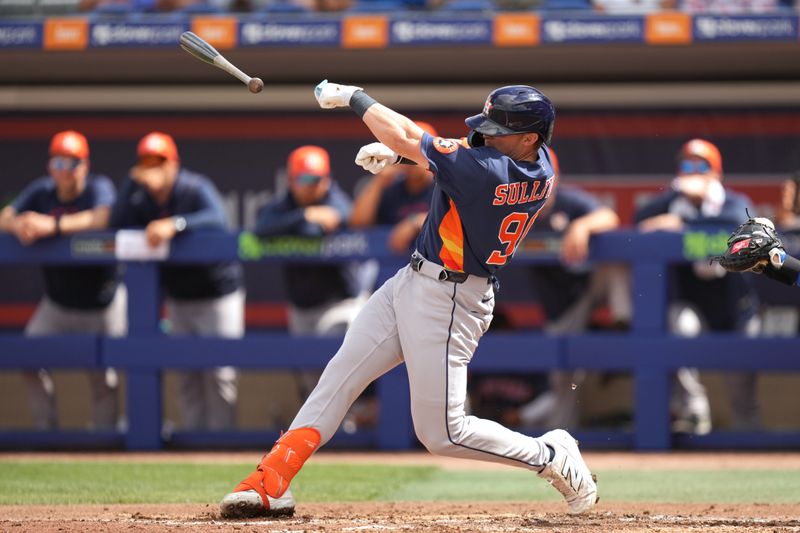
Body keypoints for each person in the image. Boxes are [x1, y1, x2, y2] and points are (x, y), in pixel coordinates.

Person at [219, 81, 598, 519]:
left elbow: (411, 136)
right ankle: (273, 479)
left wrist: (355, 98)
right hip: (415, 281)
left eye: (499, 129)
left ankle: (549, 454)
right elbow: (455, 148)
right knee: (340, 375)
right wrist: (405, 159)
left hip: (452, 299)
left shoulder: (489, 171)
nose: (486, 134)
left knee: (443, 434)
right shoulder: (539, 163)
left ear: (529, 137)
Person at [110, 132, 243, 430]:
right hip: (179, 297)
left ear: (174, 164)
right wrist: (131, 183)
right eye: (146, 162)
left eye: (159, 161)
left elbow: (218, 218)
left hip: (216, 294)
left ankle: (222, 445)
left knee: (220, 373)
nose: (153, 168)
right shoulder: (140, 196)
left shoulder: (194, 186)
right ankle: (196, 447)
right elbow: (115, 223)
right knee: (187, 374)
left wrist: (176, 224)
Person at [0, 130, 125, 430]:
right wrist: (20, 224)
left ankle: (106, 446)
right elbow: (5, 216)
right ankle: (47, 433)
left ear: (84, 166)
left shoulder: (97, 187)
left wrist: (52, 225)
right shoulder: (41, 191)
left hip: (101, 303)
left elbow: (104, 217)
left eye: (71, 164)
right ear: (49, 166)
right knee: (28, 359)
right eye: (58, 163)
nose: (64, 171)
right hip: (57, 304)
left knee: (104, 377)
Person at [635, 138, 761, 434]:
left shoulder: (732, 202)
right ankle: (694, 413)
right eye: (687, 165)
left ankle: (750, 436)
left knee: (741, 387)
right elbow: (640, 219)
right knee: (676, 328)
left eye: (700, 166)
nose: (692, 172)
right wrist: (674, 216)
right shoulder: (670, 203)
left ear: (715, 173)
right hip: (694, 303)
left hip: (735, 308)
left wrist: (685, 224)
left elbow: (743, 223)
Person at [501, 150, 626, 430]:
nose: (537, 183)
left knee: (614, 267)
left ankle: (623, 323)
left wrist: (581, 226)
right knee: (564, 379)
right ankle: (561, 437)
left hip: (587, 288)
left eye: (543, 177)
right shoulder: (515, 209)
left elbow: (609, 217)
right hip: (560, 307)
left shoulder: (570, 201)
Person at [254, 145, 371, 422]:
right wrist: (303, 216)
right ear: (291, 180)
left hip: (342, 300)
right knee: (310, 378)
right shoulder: (286, 206)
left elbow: (317, 229)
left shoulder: (336, 199)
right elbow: (261, 228)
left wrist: (302, 223)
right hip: (302, 306)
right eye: (304, 179)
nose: (310, 186)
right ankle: (325, 431)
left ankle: (352, 422)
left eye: (316, 179)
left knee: (335, 363)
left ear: (326, 179)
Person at [349, 121, 438, 254]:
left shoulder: (443, 184)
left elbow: (458, 219)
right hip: (396, 266)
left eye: (419, 152)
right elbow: (359, 224)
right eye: (409, 152)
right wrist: (379, 181)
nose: (413, 159)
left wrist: (415, 222)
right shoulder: (394, 188)